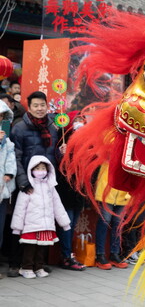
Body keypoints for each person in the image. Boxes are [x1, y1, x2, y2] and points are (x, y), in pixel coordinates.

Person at [8, 91, 65, 277]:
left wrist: (61, 153)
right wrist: (24, 183)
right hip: (25, 184)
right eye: (36, 105)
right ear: (29, 107)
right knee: (20, 223)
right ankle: (16, 263)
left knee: (44, 223)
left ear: (47, 106)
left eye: (43, 105)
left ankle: (38, 264)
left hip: (45, 183)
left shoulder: (52, 126)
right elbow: (15, 157)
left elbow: (53, 156)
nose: (40, 109)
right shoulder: (20, 128)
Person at [10, 156, 70, 278]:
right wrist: (17, 227)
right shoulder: (28, 188)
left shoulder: (50, 187)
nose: (41, 170)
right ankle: (26, 268)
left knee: (42, 247)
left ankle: (39, 267)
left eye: (43, 168)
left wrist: (65, 223)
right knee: (30, 248)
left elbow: (57, 205)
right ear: (31, 170)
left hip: (46, 224)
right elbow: (20, 209)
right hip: (31, 225)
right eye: (37, 168)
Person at [55, 111, 86, 271]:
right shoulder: (62, 141)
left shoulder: (86, 142)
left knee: (72, 224)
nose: (79, 123)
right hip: (66, 190)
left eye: (82, 120)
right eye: (76, 120)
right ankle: (66, 256)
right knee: (66, 224)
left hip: (79, 190)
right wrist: (61, 154)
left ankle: (68, 254)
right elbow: (58, 165)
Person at [94, 163, 129, 270]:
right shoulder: (108, 147)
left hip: (124, 192)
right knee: (105, 221)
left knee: (118, 224)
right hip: (106, 191)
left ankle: (115, 254)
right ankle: (100, 255)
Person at [0, 100, 16, 278]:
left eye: (2, 117)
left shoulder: (8, 141)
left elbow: (11, 159)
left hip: (2, 190)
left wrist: (9, 174)